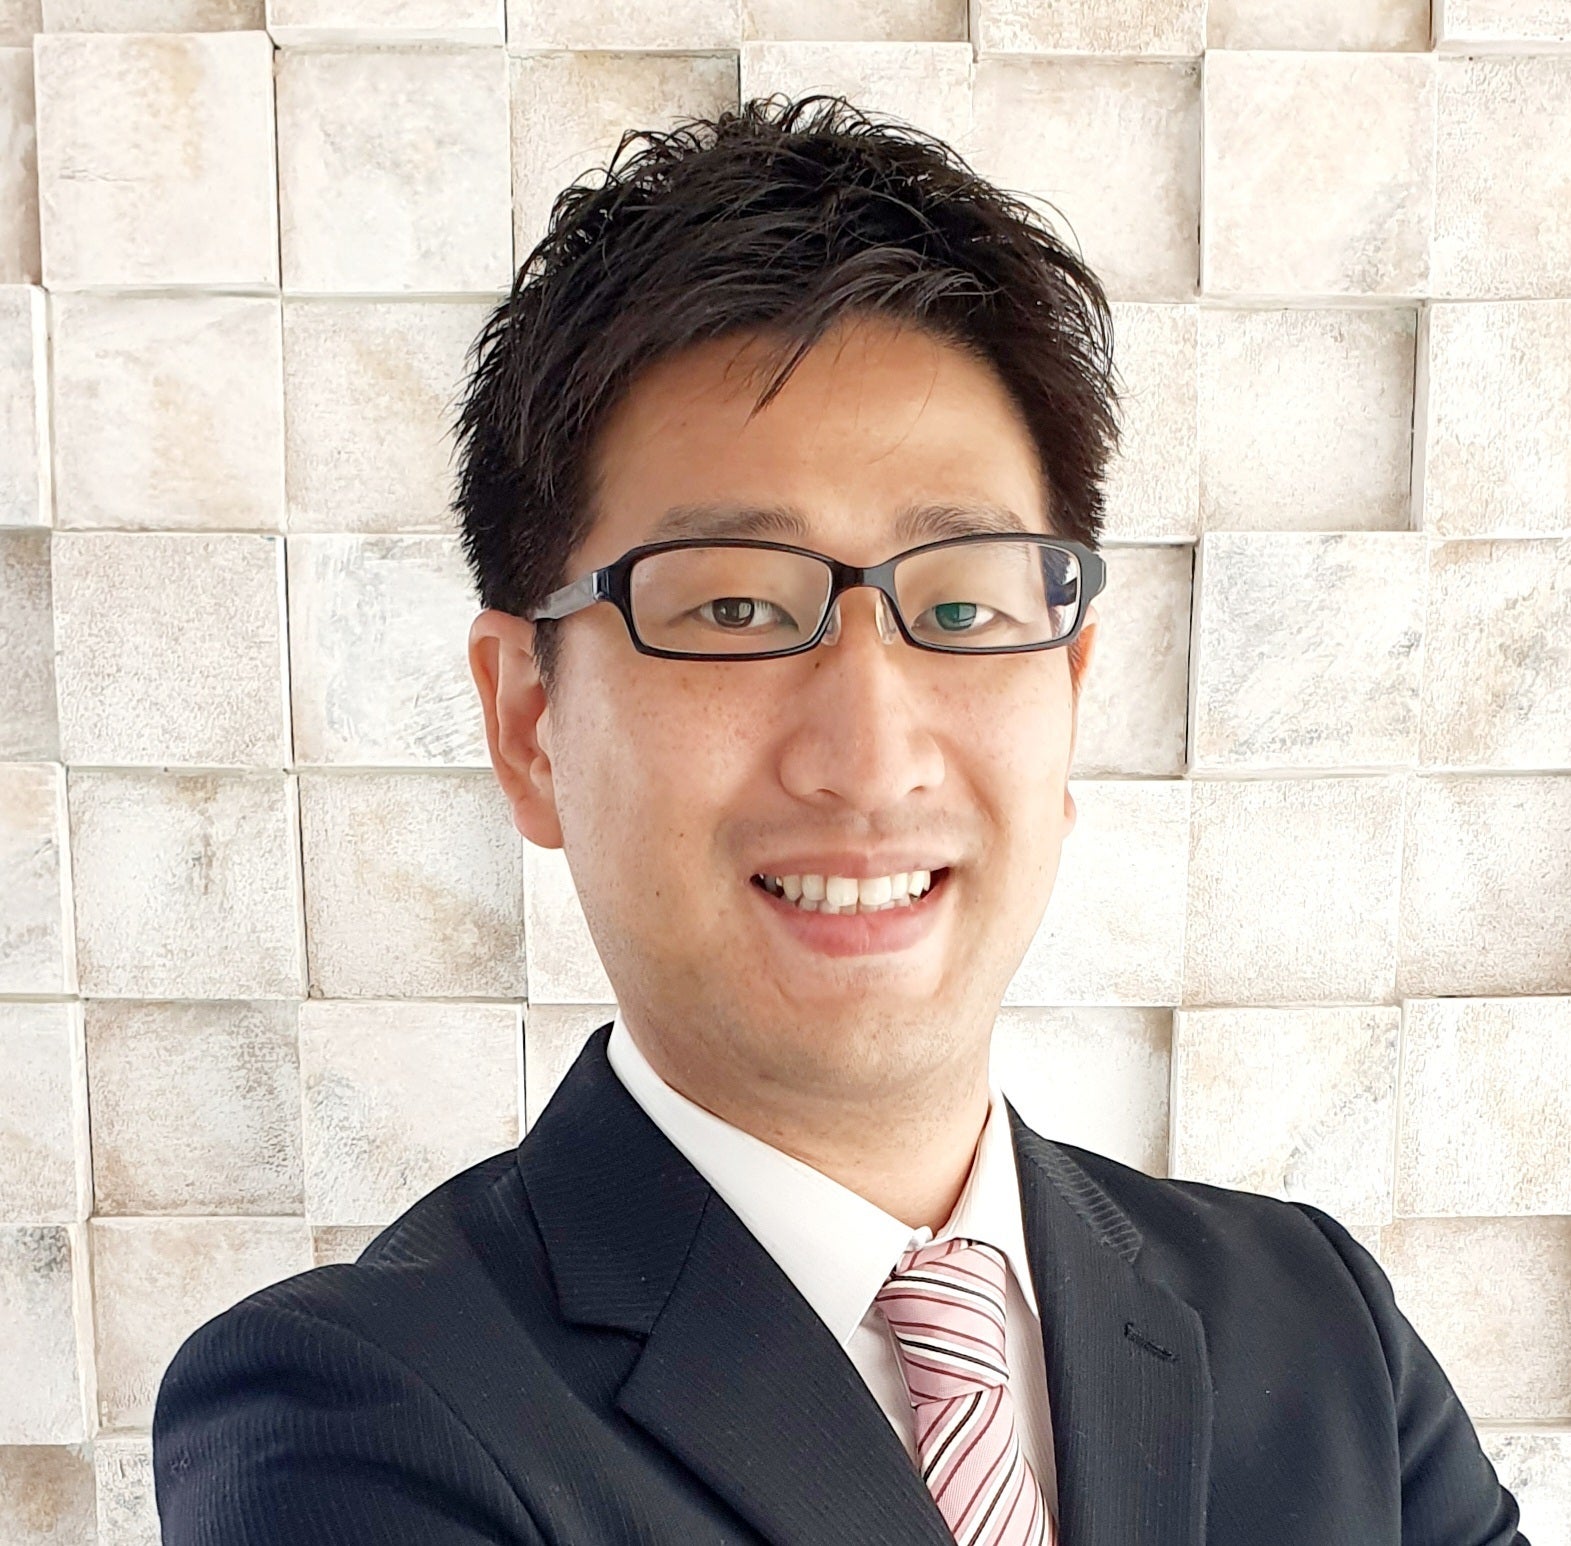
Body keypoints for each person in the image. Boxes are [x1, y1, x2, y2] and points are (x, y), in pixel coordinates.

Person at [151, 95, 1528, 1545]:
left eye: (961, 608)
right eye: (735, 607)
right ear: (529, 721)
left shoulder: (1322, 1326)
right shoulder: (353, 1412)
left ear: (1068, 687)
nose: (871, 755)